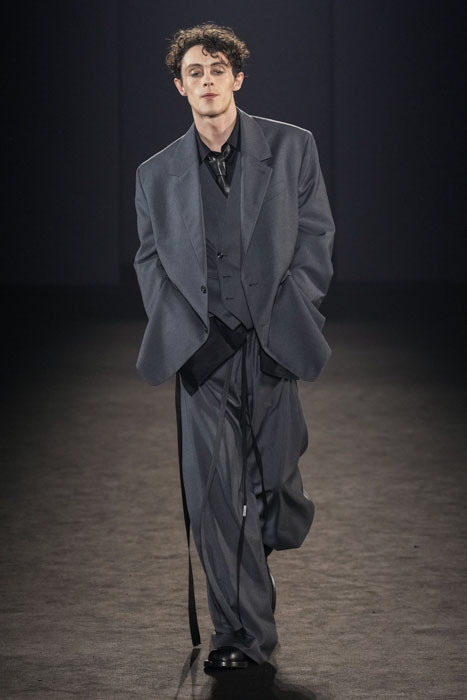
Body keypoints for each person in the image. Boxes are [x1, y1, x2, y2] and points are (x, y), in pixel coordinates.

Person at [134, 22, 335, 670]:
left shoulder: (293, 148)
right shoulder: (155, 174)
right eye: (194, 71)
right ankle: (239, 639)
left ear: (237, 78)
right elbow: (150, 262)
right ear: (180, 86)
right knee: (216, 500)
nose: (207, 80)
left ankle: (265, 538)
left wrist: (291, 312)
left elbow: (315, 238)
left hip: (273, 344)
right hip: (205, 355)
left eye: (217, 69)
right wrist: (186, 340)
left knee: (277, 495)